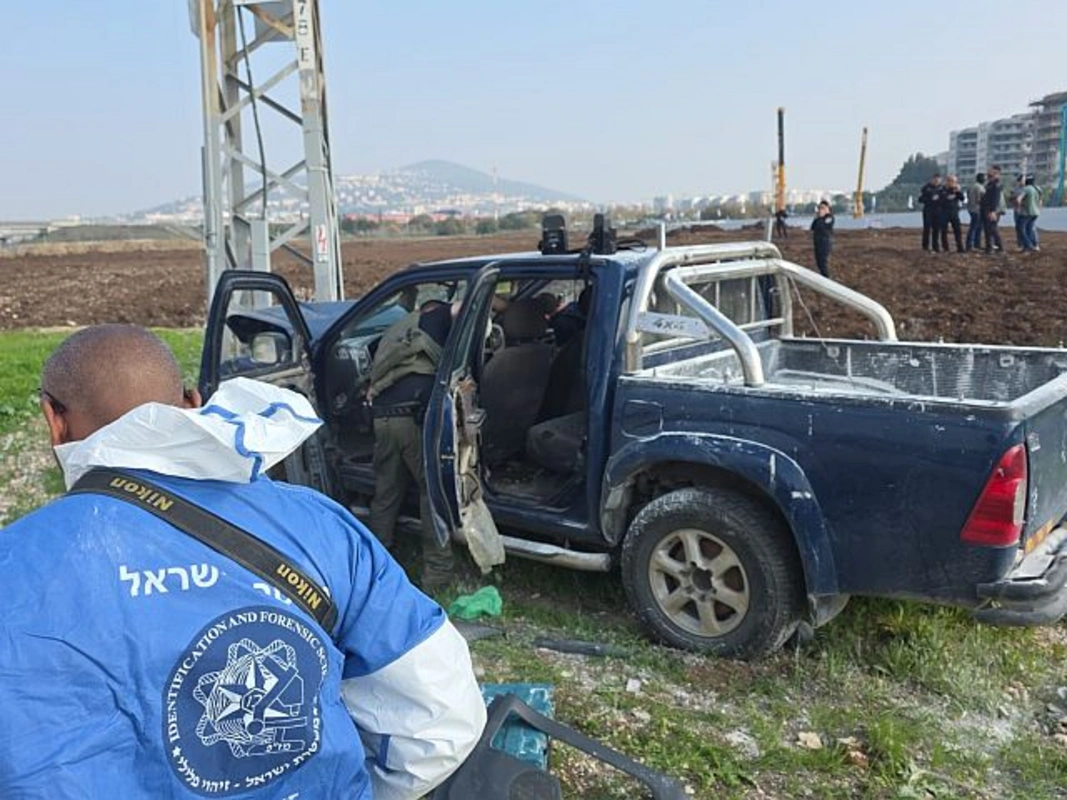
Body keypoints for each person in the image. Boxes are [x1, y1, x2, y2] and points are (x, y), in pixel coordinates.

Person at [0, 324, 486, 798]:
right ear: (193, 402)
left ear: (53, 419)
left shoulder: (13, 564)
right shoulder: (319, 526)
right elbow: (440, 716)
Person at [368, 299, 459, 590]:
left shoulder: (398, 331)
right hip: (414, 420)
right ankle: (437, 576)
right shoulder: (441, 317)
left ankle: (375, 567)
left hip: (382, 418)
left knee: (386, 494)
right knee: (432, 493)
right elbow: (460, 306)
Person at [936, 175, 966, 253]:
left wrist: (957, 191)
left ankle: (960, 248)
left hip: (954, 213)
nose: (952, 183)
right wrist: (946, 197)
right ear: (947, 181)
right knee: (944, 231)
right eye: (950, 181)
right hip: (944, 212)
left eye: (954, 181)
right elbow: (939, 200)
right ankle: (946, 248)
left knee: (957, 231)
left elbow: (962, 198)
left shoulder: (956, 190)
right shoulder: (942, 190)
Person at [981, 165, 1005, 254]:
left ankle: (1000, 247)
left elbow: (995, 198)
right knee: (987, 229)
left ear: (996, 173)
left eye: (990, 171)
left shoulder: (996, 184)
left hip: (992, 210)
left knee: (993, 228)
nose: (988, 172)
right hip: (986, 208)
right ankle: (989, 248)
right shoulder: (989, 183)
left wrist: (993, 211)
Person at [810, 199, 834, 278]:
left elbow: (822, 228)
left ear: (827, 208)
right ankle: (824, 278)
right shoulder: (818, 219)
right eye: (820, 208)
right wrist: (816, 217)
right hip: (817, 243)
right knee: (819, 263)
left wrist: (821, 217)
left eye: (823, 208)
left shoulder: (829, 218)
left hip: (824, 243)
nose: (821, 210)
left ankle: (827, 279)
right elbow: (813, 227)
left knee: (823, 263)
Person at [918, 173, 942, 251]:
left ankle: (936, 246)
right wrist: (930, 199)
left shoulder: (941, 188)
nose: (936, 181)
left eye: (938, 180)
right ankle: (925, 246)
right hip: (928, 210)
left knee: (936, 229)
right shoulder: (926, 188)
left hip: (938, 211)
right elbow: (921, 199)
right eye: (935, 180)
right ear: (932, 179)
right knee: (927, 228)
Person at [1019, 175, 1043, 252]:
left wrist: (1019, 206)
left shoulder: (1026, 189)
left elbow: (1018, 199)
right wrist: (1039, 209)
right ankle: (1034, 245)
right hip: (1036, 212)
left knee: (1021, 229)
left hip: (1026, 212)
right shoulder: (1038, 188)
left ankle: (1028, 245)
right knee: (1030, 229)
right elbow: (1041, 201)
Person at [966, 173, 986, 252]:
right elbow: (979, 199)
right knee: (974, 227)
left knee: (978, 227)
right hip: (976, 209)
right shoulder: (978, 187)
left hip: (973, 208)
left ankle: (976, 244)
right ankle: (970, 245)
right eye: (984, 178)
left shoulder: (973, 186)